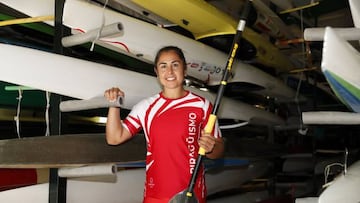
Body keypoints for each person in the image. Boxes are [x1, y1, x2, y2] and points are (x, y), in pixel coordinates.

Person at [104, 46, 224, 203]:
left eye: (175, 65)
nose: (170, 71)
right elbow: (114, 138)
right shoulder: (146, 107)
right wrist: (114, 105)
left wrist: (211, 147)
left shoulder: (202, 105)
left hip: (192, 195)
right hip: (156, 195)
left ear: (185, 69)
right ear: (156, 72)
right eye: (163, 66)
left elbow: (219, 150)